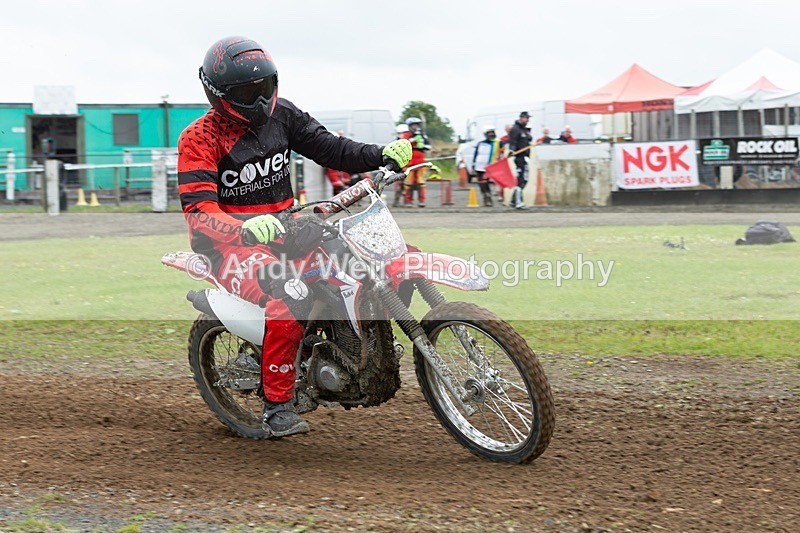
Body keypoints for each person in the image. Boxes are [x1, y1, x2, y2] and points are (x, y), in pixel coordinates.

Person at [178, 36, 412, 437]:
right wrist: (242, 227)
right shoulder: (199, 138)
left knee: (370, 259)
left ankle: (356, 352)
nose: (258, 100)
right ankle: (276, 406)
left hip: (288, 229)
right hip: (229, 247)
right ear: (218, 95)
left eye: (264, 88)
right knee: (291, 299)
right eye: (245, 93)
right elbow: (198, 211)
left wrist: (381, 154)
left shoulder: (282, 115)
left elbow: (332, 149)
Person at [401, 117, 430, 207]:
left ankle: (421, 201)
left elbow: (429, 146)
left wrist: (422, 143)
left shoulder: (423, 135)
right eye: (414, 125)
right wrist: (413, 140)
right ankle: (408, 201)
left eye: (417, 125)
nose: (416, 126)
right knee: (408, 182)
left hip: (420, 161)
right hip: (409, 161)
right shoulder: (406, 135)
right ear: (409, 126)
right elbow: (403, 144)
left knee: (421, 182)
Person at [508, 111, 533, 209]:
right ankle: (518, 202)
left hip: (525, 157)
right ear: (522, 118)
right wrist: (512, 150)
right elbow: (512, 142)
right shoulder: (515, 129)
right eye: (526, 118)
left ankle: (513, 200)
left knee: (525, 179)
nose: (527, 120)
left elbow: (527, 139)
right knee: (521, 180)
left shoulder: (524, 130)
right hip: (519, 158)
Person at [472, 125, 501, 207]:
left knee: (487, 182)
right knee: (481, 183)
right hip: (479, 166)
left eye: (492, 132)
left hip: (490, 166)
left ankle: (489, 196)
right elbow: (476, 154)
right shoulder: (480, 144)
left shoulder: (497, 143)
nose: (491, 134)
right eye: (489, 133)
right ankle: (486, 196)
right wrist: (473, 164)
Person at [392, 124, 410, 207]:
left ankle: (406, 201)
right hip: (399, 166)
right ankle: (396, 201)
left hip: (407, 166)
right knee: (399, 185)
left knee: (406, 185)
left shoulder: (408, 142)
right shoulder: (396, 143)